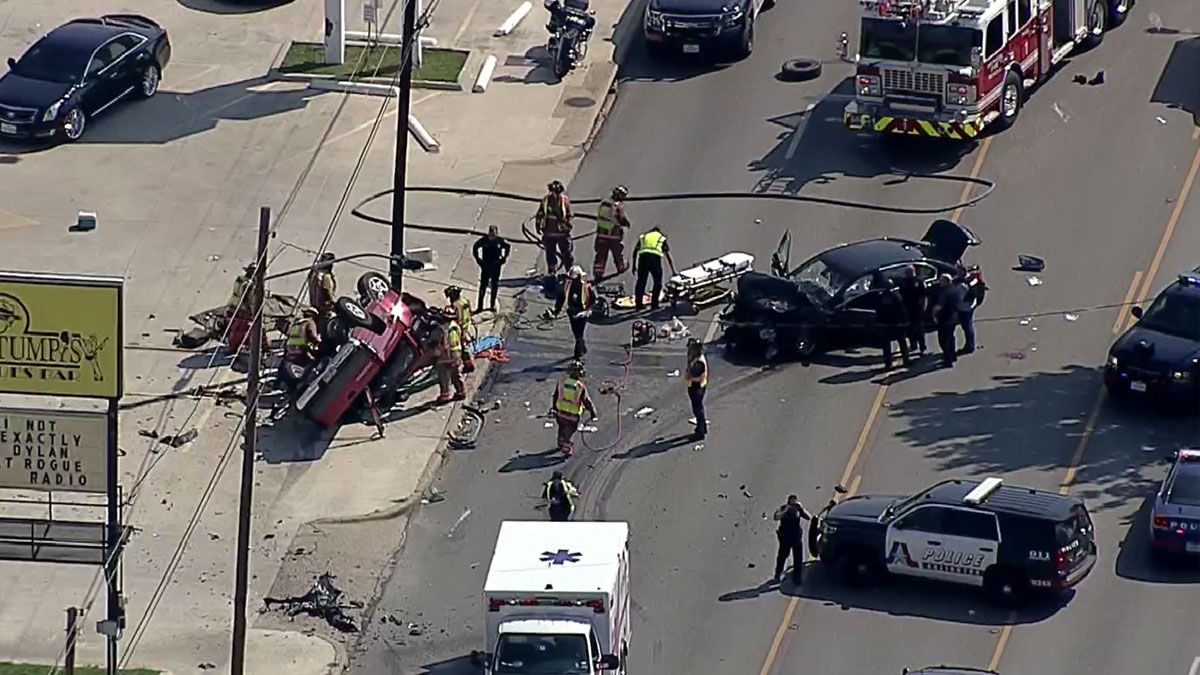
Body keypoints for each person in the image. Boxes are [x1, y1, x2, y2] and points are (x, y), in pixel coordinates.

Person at [551, 360, 597, 457]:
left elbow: (555, 396)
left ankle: (560, 441)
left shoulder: (562, 383)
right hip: (572, 416)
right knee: (570, 431)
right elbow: (586, 401)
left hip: (560, 413)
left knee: (562, 428)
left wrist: (554, 407)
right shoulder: (580, 387)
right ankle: (566, 447)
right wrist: (593, 413)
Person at [553, 266, 595, 360]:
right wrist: (556, 310)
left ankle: (577, 356)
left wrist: (589, 311)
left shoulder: (586, 288)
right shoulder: (567, 286)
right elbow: (561, 298)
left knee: (579, 334)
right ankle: (582, 347)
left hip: (582, 314)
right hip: (571, 313)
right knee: (577, 334)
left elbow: (593, 300)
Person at [631, 225, 676, 312]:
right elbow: (668, 255)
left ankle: (639, 305)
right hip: (654, 259)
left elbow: (635, 251)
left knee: (641, 282)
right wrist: (673, 270)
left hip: (643, 258)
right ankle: (654, 304)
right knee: (657, 282)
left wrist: (634, 266)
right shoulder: (661, 238)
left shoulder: (644, 237)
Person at [872, 274, 911, 369]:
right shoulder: (896, 296)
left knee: (886, 345)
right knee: (902, 343)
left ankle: (888, 363)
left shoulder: (880, 297)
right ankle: (906, 360)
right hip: (897, 323)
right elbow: (902, 310)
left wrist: (878, 322)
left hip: (885, 324)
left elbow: (878, 311)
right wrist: (905, 321)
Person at [592, 185, 630, 281]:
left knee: (601, 254)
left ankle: (598, 272)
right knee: (617, 253)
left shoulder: (604, 203)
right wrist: (626, 223)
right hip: (613, 234)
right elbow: (621, 218)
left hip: (601, 233)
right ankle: (621, 267)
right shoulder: (617, 205)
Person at [536, 180, 574, 276]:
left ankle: (569, 271)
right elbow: (540, 213)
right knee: (550, 253)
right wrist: (538, 224)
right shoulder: (546, 201)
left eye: (557, 193)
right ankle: (552, 271)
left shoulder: (564, 201)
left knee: (566, 253)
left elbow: (569, 214)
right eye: (554, 192)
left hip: (562, 233)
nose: (555, 195)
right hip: (549, 232)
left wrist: (567, 224)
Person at [773, 495, 812, 584]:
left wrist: (801, 508)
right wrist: (786, 510)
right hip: (785, 537)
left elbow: (808, 517)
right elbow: (776, 517)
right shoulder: (783, 508)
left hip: (796, 537)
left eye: (795, 500)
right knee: (782, 556)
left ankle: (797, 578)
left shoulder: (798, 509)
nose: (793, 502)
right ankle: (777, 575)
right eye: (792, 500)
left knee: (798, 558)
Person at [472, 225, 510, 312]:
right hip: (486, 266)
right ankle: (480, 306)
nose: (492, 236)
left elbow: (507, 247)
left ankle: (492, 305)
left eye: (494, 234)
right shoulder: (484, 240)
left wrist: (504, 258)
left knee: (494, 286)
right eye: (491, 234)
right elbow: (475, 247)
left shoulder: (499, 241)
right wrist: (478, 259)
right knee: (483, 287)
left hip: (496, 266)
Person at [432, 309, 466, 404]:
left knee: (443, 376)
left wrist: (436, 353)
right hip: (457, 354)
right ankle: (461, 392)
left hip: (446, 356)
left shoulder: (442, 329)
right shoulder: (456, 327)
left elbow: (441, 344)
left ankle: (445, 395)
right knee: (456, 375)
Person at [930, 273, 962, 368]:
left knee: (943, 340)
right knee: (951, 337)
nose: (940, 283)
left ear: (946, 282)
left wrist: (934, 314)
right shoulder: (955, 290)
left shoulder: (944, 292)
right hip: (954, 317)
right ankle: (953, 355)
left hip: (944, 318)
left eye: (941, 281)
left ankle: (948, 360)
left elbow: (939, 306)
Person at [954, 264, 987, 355]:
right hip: (971, 304)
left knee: (967, 326)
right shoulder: (972, 279)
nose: (957, 273)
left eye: (958, 271)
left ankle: (970, 346)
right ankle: (970, 345)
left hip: (965, 307)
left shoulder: (963, 283)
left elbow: (960, 296)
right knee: (968, 326)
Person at [896, 265, 927, 355]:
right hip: (907, 308)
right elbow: (901, 296)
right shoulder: (903, 282)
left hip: (918, 308)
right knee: (909, 328)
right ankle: (913, 344)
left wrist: (924, 307)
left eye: (911, 272)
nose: (909, 274)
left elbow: (924, 296)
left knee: (919, 328)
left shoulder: (919, 282)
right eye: (908, 272)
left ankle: (922, 346)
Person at [445, 287, 476, 374]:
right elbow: (470, 312)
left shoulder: (455, 305)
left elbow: (455, 316)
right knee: (464, 346)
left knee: (461, 348)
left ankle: (468, 365)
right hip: (466, 325)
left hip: (459, 327)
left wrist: (446, 315)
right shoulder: (465, 301)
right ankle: (468, 364)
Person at [685, 338, 708, 440]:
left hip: (697, 387)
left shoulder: (699, 363)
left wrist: (689, 369)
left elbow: (693, 375)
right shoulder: (696, 359)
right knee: (698, 408)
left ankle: (700, 431)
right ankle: (703, 427)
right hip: (696, 386)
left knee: (698, 409)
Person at [309, 252, 338, 328]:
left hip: (314, 301)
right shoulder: (326, 277)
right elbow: (327, 290)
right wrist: (333, 302)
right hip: (323, 305)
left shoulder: (315, 273)